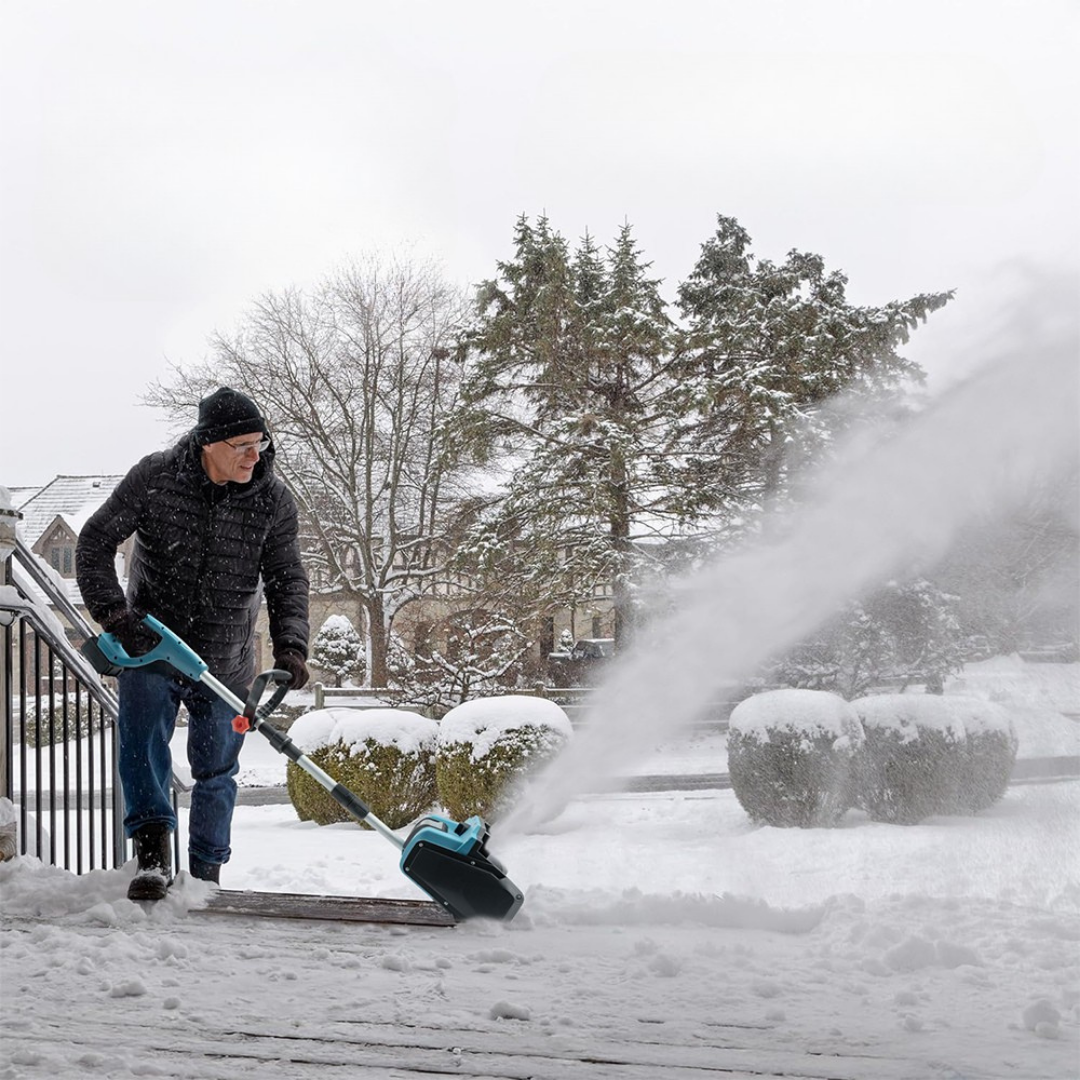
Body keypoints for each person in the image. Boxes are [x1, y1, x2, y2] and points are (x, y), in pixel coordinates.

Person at [76, 387, 310, 900]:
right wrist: (116, 616)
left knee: (217, 770)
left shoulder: (272, 500)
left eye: (261, 442)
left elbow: (287, 577)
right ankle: (154, 857)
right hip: (152, 648)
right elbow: (93, 542)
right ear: (209, 443)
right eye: (243, 445)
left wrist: (291, 646)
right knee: (141, 747)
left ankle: (207, 876)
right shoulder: (156, 477)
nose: (257, 455)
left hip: (226, 657)